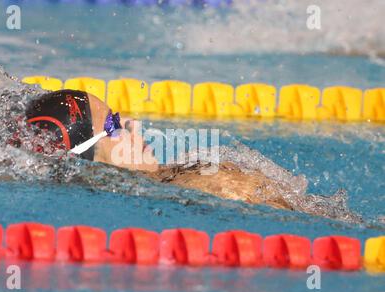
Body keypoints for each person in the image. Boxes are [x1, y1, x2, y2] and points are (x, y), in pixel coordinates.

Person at [20, 89, 358, 220]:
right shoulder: (206, 183)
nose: (133, 123)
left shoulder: (183, 180)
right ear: (85, 155)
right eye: (114, 124)